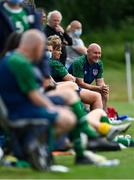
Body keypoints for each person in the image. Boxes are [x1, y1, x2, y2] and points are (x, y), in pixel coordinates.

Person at [0, 29, 76, 170]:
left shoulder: (10, 58)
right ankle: (34, 148)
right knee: (68, 118)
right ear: (36, 46)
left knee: (64, 109)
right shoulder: (21, 64)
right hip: (20, 112)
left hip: (16, 108)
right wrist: (52, 108)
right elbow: (34, 96)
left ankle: (35, 147)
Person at [69, 43, 109, 111]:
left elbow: (100, 82)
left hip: (85, 87)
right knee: (87, 106)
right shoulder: (79, 62)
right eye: (95, 53)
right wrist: (99, 88)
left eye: (99, 53)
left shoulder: (99, 63)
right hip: (73, 88)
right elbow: (80, 83)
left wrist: (103, 88)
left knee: (105, 93)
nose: (98, 56)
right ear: (88, 52)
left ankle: (104, 115)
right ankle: (89, 115)